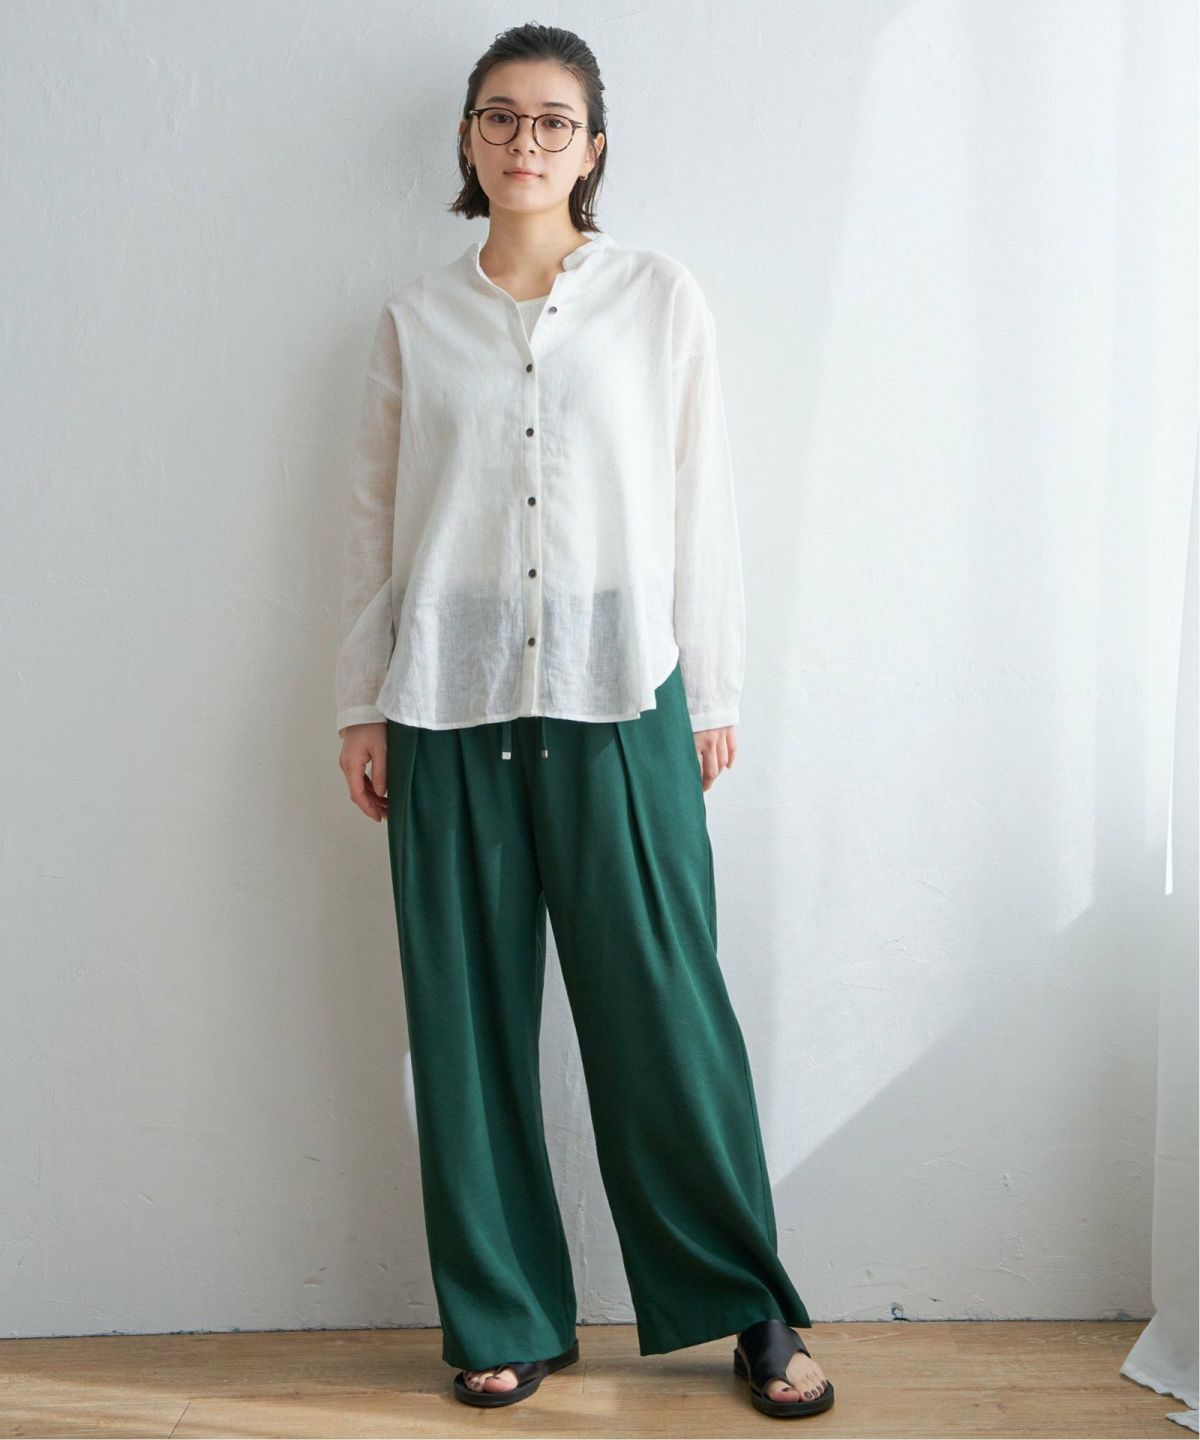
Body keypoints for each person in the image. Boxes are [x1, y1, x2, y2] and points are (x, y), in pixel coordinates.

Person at [334, 22, 834, 1420]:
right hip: (449, 697)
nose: (526, 141)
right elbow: (371, 522)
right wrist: (360, 701)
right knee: (467, 1023)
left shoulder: (658, 299)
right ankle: (505, 1314)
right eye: (501, 117)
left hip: (625, 693)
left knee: (665, 1008)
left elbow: (700, 502)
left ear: (593, 148)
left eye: (554, 120)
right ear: (468, 139)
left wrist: (710, 693)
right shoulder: (412, 321)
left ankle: (748, 1305)